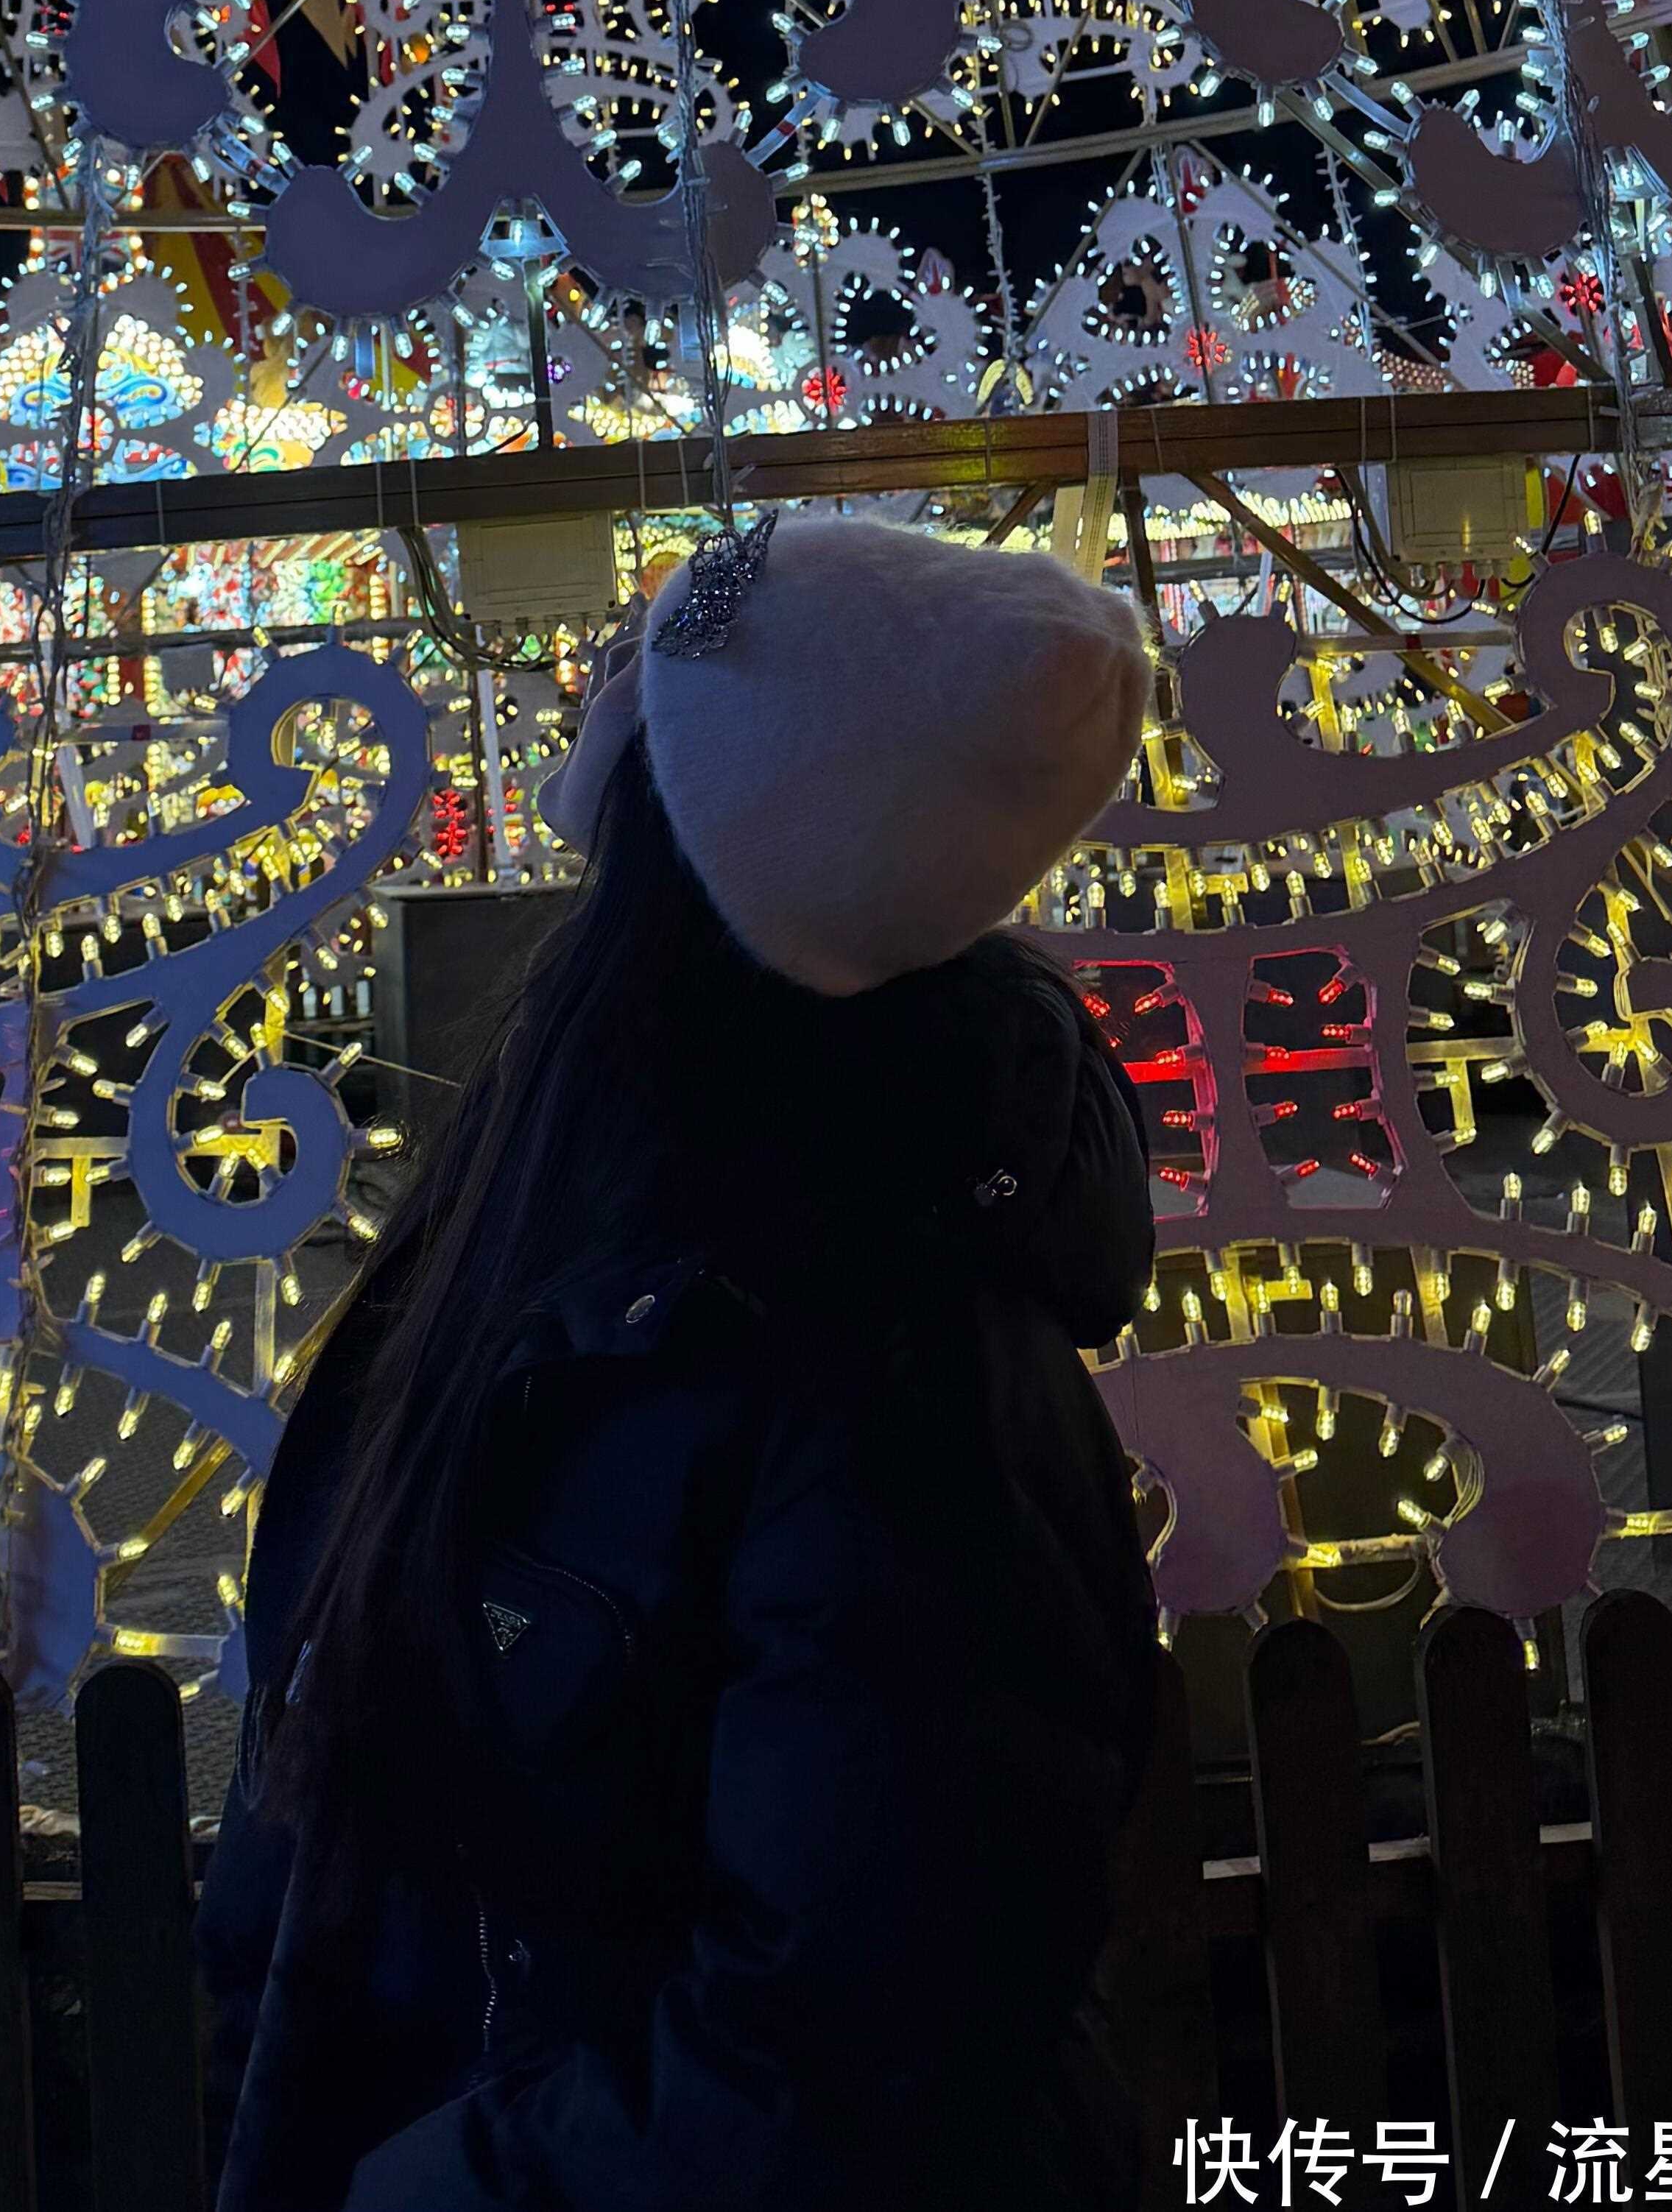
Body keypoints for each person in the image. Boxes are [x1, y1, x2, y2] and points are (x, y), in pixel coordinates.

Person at [197, 508, 1164, 2211]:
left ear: (695, 840)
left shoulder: (877, 1361)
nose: (586, 699)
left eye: (640, 690)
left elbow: (844, 2050)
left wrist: (425, 2186)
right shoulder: (629, 1227)